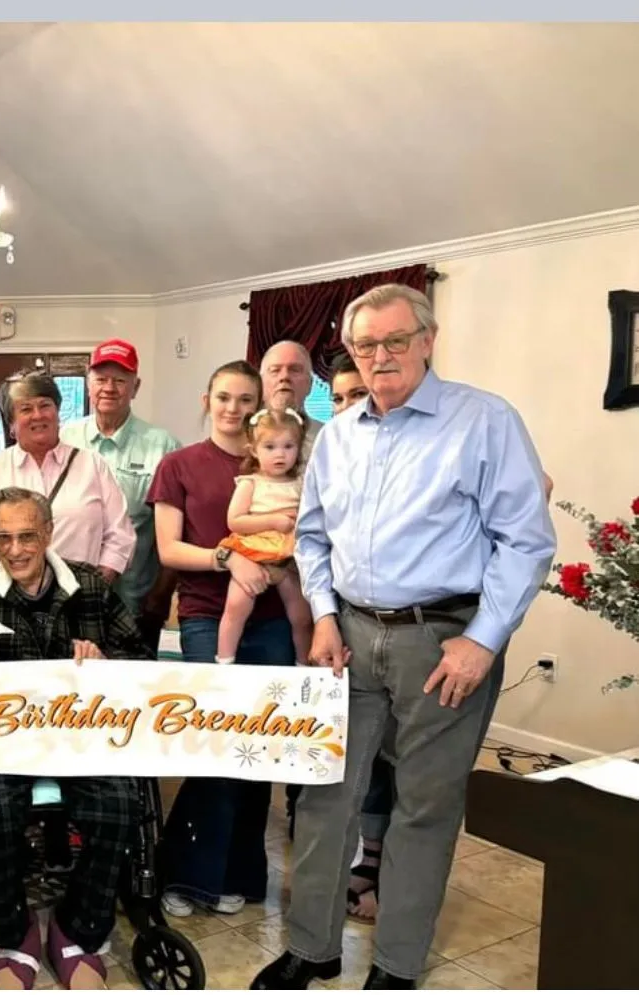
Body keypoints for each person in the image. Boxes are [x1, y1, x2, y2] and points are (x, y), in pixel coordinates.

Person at [252, 284, 556, 990]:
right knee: (325, 796)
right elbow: (312, 535)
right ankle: (312, 947)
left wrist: (483, 639)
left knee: (424, 806)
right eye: (365, 345)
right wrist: (323, 615)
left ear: (427, 340)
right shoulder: (339, 435)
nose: (380, 356)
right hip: (350, 637)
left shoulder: (485, 422)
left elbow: (526, 540)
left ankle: (395, 965)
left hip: (443, 642)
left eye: (395, 340)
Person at [0, 487, 150, 990]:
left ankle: (79, 928)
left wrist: (105, 660)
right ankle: (14, 935)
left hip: (81, 738)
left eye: (27, 536)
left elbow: (142, 660)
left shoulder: (90, 586)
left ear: (49, 533)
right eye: (3, 538)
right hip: (1, 743)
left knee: (120, 803)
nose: (15, 550)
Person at [149, 361, 291, 919]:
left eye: (245, 400)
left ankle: (240, 874)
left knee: (259, 747)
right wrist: (227, 559)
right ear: (207, 400)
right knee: (217, 743)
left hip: (274, 618)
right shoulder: (180, 465)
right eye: (224, 397)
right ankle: (187, 874)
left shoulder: (280, 459)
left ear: (259, 407)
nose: (233, 409)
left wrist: (277, 570)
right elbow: (168, 548)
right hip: (208, 616)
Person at [0, 369, 135, 581]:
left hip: (80, 593)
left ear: (58, 413)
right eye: (26, 409)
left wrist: (97, 586)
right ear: (11, 423)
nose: (37, 415)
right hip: (4, 595)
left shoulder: (93, 465)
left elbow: (120, 537)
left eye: (45, 405)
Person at [60, 338, 180, 651]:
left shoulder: (163, 446)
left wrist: (161, 596)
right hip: (70, 603)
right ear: (89, 385)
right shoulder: (64, 439)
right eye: (101, 379)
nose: (109, 388)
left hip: (136, 603)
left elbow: (176, 531)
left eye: (120, 380)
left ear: (135, 387)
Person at [216, 407, 314, 665]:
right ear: (254, 450)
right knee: (236, 607)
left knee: (302, 616)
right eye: (270, 447)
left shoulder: (302, 483)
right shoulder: (250, 483)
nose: (280, 454)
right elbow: (235, 521)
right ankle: (224, 661)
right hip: (254, 554)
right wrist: (273, 520)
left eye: (288, 446)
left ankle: (304, 665)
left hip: (289, 558)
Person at [259, 340, 322, 463]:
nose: (284, 377)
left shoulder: (326, 437)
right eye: (275, 370)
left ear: (310, 384)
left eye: (295, 370)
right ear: (260, 383)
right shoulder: (242, 436)